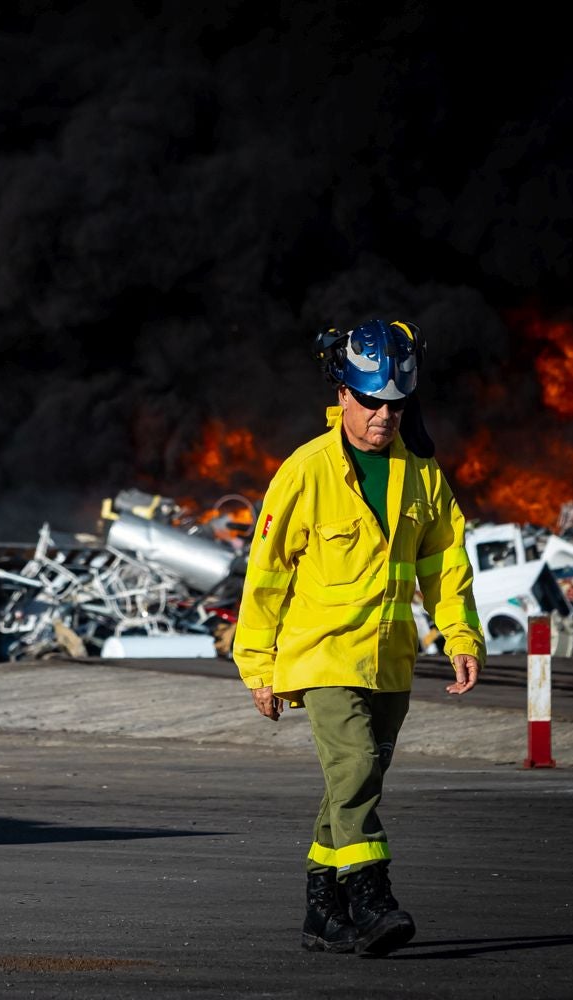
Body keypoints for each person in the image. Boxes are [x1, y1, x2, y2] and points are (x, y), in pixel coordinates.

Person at [232, 318, 484, 957]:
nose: (383, 416)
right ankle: (372, 899)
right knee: (356, 767)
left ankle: (324, 908)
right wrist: (257, 666)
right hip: (322, 656)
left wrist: (460, 635)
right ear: (342, 392)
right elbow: (265, 577)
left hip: (390, 659)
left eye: (395, 404)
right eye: (370, 401)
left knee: (354, 783)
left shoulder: (422, 476)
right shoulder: (305, 472)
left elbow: (446, 563)